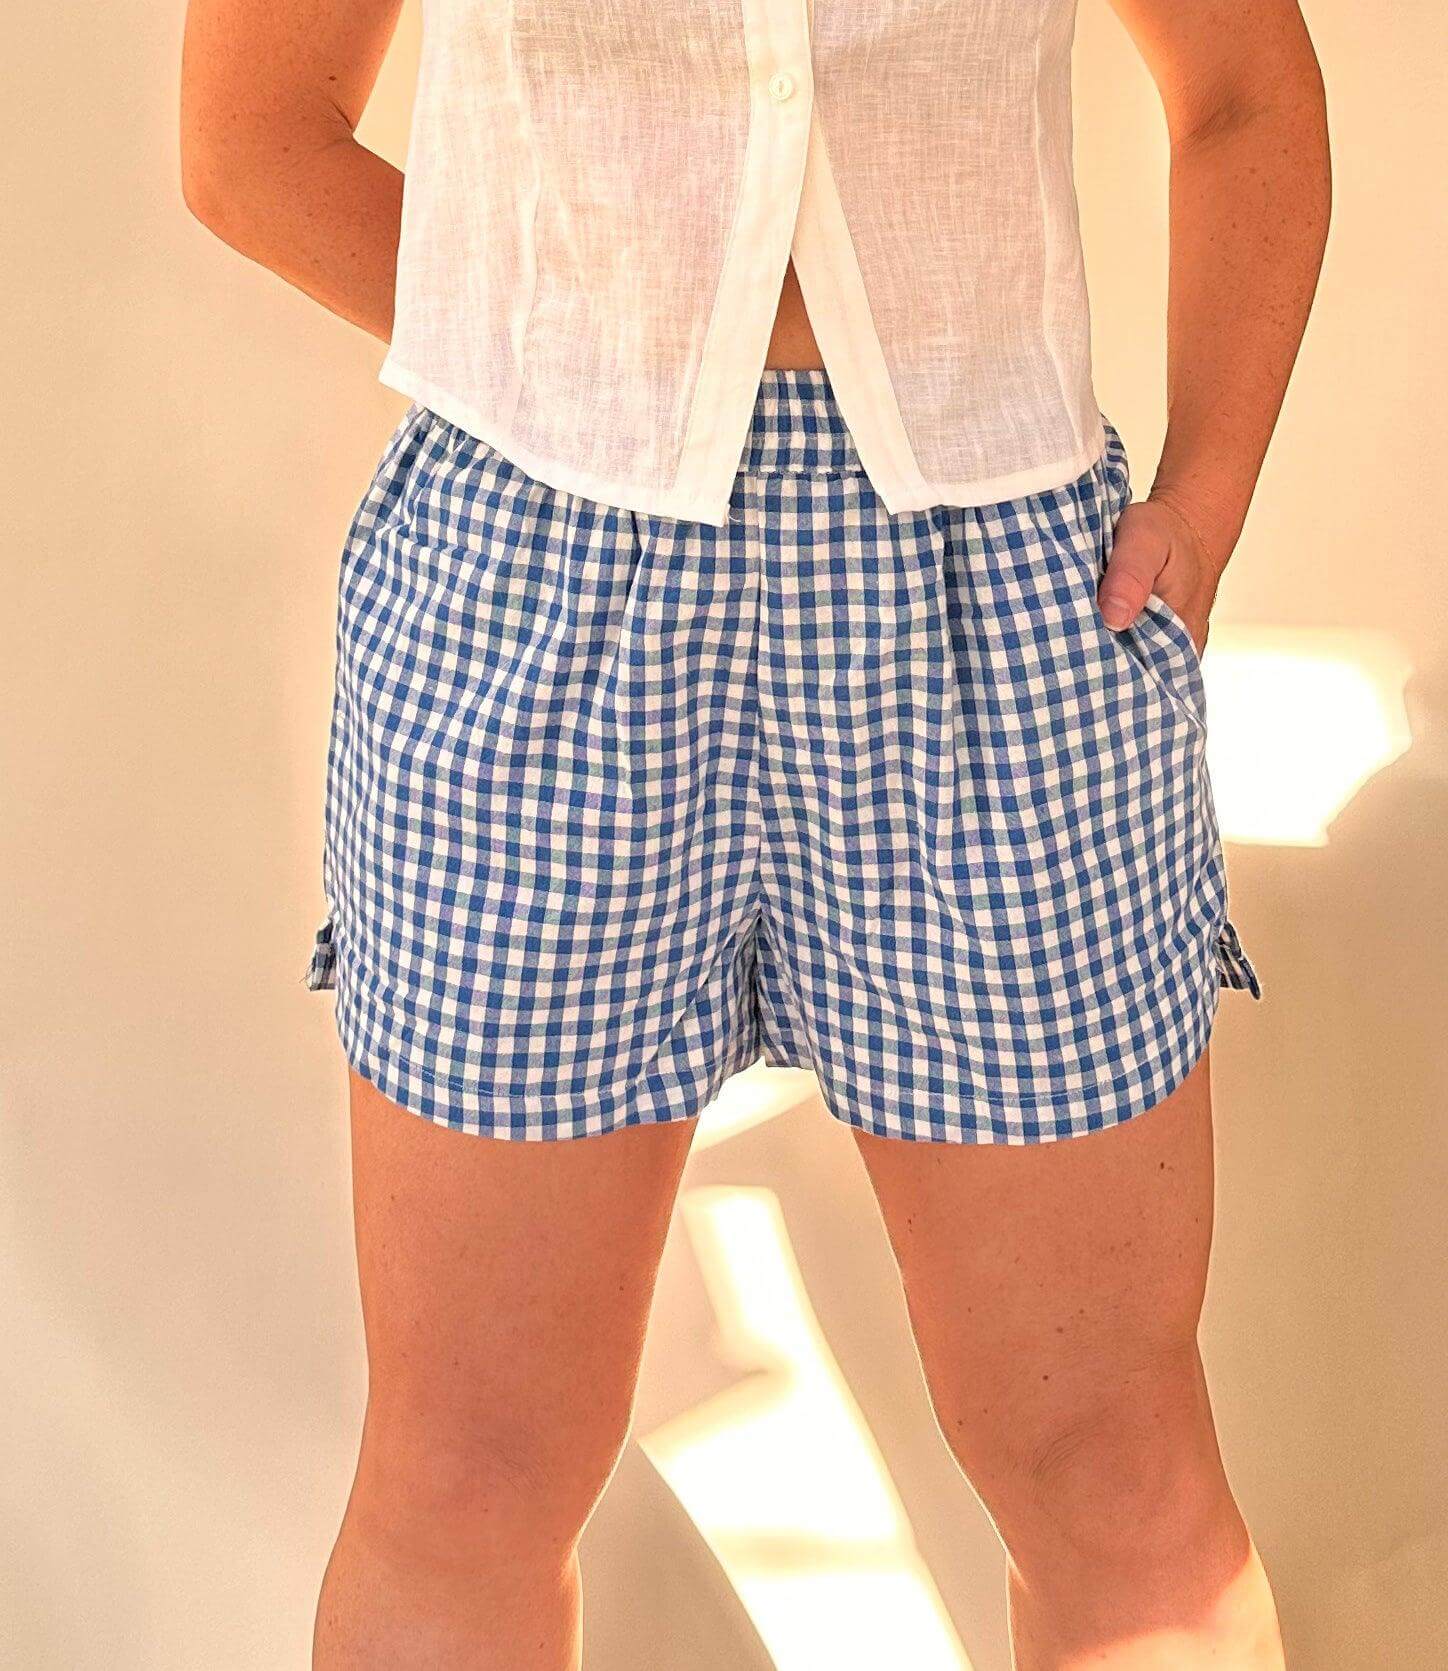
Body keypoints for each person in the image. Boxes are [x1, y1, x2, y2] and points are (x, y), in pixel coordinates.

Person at [180, 0, 1329, 1663]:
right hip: (533, 595)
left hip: (1007, 603)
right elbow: (250, 141)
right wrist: (576, 350)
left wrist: (1205, 502)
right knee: (467, 1479)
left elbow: (1239, 91)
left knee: (1110, 1466)